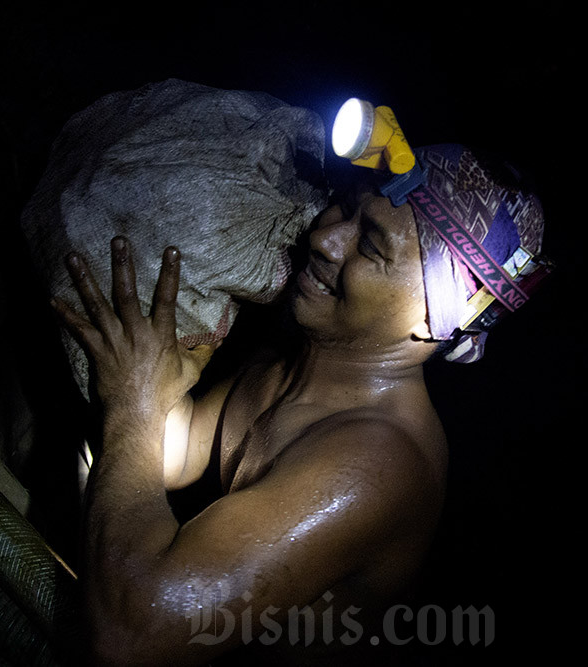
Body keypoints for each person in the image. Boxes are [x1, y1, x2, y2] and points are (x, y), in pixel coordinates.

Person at [51, 144, 548, 665]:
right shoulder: (295, 359)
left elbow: (130, 634)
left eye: (373, 246)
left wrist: (132, 404)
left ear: (435, 317)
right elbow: (176, 450)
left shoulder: (378, 462)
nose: (325, 239)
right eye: (346, 207)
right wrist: (146, 380)